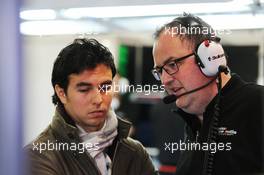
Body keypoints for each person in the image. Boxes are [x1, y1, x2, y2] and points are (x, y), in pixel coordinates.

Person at [25, 38, 157, 175]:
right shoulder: (37, 157)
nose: (98, 99)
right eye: (84, 90)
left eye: (105, 87)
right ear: (62, 93)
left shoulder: (135, 152)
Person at [152, 13, 264, 175]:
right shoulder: (194, 124)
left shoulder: (257, 105)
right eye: (159, 71)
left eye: (172, 64)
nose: (165, 80)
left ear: (210, 58)